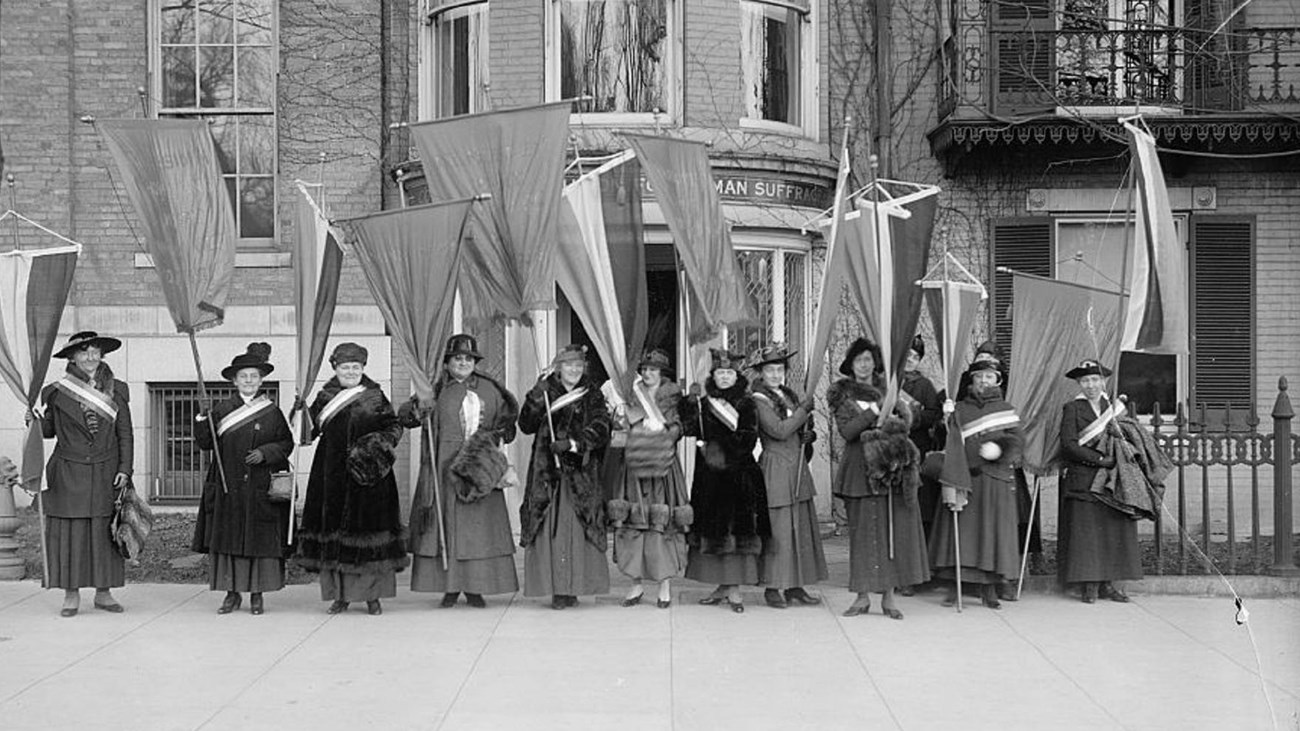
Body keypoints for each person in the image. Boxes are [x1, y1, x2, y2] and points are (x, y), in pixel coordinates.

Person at [398, 334, 519, 608]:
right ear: (448, 362)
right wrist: (420, 403)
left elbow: (509, 423)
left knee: (479, 529)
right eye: (457, 358)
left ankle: (476, 588)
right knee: (449, 527)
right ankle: (450, 588)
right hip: (444, 467)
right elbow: (406, 417)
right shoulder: (435, 388)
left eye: (468, 358)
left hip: (480, 466)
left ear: (474, 362)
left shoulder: (490, 388)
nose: (463, 362)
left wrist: (497, 438)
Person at [295, 343, 409, 615]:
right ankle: (340, 597)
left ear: (363, 368)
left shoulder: (375, 396)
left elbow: (393, 426)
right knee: (336, 536)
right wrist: (300, 410)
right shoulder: (324, 397)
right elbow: (307, 434)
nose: (350, 371)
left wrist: (375, 446)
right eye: (345, 367)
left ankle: (372, 597)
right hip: (331, 475)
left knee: (369, 536)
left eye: (355, 367)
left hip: (370, 476)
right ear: (335, 368)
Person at [829, 338, 930, 619]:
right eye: (858, 360)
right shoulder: (841, 393)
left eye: (868, 360)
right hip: (858, 472)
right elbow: (848, 431)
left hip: (889, 469)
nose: (863, 365)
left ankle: (889, 597)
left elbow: (909, 419)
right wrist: (875, 411)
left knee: (889, 534)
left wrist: (895, 415)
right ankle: (861, 597)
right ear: (851, 365)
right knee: (862, 536)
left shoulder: (890, 389)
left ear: (876, 363)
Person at [34, 331, 133, 617]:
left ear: (102, 356)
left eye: (95, 351)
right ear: (72, 357)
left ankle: (104, 593)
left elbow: (125, 434)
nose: (90, 357)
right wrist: (35, 422)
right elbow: (49, 431)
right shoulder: (55, 391)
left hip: (106, 471)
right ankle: (71, 594)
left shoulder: (118, 389)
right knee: (72, 534)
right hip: (69, 471)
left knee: (104, 534)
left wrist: (125, 469)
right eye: (84, 352)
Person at [191, 343, 294, 615]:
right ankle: (231, 595)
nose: (249, 381)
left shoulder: (272, 412)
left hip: (261, 488)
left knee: (258, 542)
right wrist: (202, 416)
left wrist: (266, 452)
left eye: (254, 376)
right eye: (243, 376)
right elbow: (205, 443)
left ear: (261, 380)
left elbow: (286, 443)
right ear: (234, 380)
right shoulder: (222, 409)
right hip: (229, 488)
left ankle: (257, 596)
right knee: (230, 542)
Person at [518, 344, 613, 609]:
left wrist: (574, 443)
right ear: (558, 368)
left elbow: (601, 427)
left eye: (578, 365)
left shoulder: (591, 394)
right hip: (547, 472)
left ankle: (576, 587)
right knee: (551, 531)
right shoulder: (546, 391)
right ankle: (558, 590)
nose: (574, 370)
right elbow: (525, 425)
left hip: (580, 474)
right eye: (568, 365)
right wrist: (536, 395)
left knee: (577, 530)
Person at [928, 356, 1024, 609]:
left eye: (989, 376)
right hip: (963, 476)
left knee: (989, 536)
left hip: (995, 479)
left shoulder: (1006, 409)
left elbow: (1018, 442)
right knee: (959, 534)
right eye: (979, 376)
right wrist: (945, 419)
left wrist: (1001, 448)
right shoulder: (959, 408)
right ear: (971, 381)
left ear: (998, 380)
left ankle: (989, 588)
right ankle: (954, 585)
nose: (983, 380)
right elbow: (942, 441)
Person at [680, 349, 769, 614]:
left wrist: (718, 451)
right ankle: (721, 585)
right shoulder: (704, 403)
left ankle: (734, 589)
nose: (725, 377)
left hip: (738, 476)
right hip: (709, 478)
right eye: (720, 372)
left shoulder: (746, 404)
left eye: (729, 373)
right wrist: (689, 404)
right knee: (715, 531)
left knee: (735, 532)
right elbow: (689, 429)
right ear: (714, 375)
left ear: (737, 375)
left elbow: (748, 438)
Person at [748, 344, 827, 609]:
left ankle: (795, 585)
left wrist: (809, 434)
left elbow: (797, 429)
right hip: (776, 467)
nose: (774, 374)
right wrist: (804, 412)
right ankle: (772, 586)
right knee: (779, 530)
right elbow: (779, 430)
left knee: (799, 529)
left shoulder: (789, 396)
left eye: (779, 369)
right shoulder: (759, 400)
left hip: (797, 467)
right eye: (769, 369)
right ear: (761, 372)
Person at [610, 349, 690, 609]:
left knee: (661, 525)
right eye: (644, 369)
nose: (647, 373)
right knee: (635, 525)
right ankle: (636, 584)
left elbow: (680, 426)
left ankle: (664, 584)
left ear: (661, 373)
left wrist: (667, 430)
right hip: (634, 465)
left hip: (662, 467)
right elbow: (620, 424)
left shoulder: (673, 397)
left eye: (653, 370)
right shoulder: (630, 394)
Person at [1058, 359, 1142, 603]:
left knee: (1111, 531)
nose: (1091, 385)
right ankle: (1089, 585)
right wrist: (1098, 459)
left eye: (1095, 380)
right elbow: (1069, 444)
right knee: (1088, 534)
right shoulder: (1072, 409)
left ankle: (1108, 585)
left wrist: (1114, 455)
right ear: (1079, 384)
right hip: (1084, 477)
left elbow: (1129, 437)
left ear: (1103, 382)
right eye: (1085, 381)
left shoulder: (1114, 408)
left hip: (1112, 478)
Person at [900, 336, 943, 546]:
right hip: (893, 447)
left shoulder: (924, 385)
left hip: (918, 446)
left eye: (915, 357)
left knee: (920, 500)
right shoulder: (888, 381)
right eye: (907, 355)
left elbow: (934, 414)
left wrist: (913, 418)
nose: (910, 360)